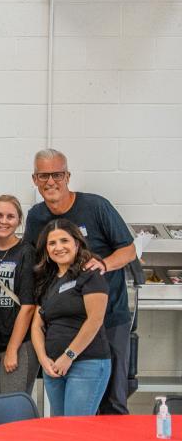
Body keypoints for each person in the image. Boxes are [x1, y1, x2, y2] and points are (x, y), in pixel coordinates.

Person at [22, 148, 135, 416]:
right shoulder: (37, 216)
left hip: (108, 317)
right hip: (65, 323)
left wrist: (104, 264)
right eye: (44, 175)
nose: (51, 181)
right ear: (34, 180)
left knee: (112, 401)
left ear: (68, 176)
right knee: (67, 416)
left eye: (57, 174)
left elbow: (129, 251)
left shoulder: (96, 206)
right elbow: (33, 260)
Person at [30, 219, 112, 417]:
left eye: (64, 241)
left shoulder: (90, 274)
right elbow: (37, 325)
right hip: (53, 367)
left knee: (76, 433)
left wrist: (68, 357)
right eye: (52, 243)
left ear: (77, 243)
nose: (58, 247)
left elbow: (95, 320)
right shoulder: (47, 279)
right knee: (60, 432)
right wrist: (43, 359)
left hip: (86, 364)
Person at [0, 195, 39, 397]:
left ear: (19, 221)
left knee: (13, 409)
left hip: (18, 344)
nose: (4, 221)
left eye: (10, 216)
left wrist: (13, 349)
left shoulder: (26, 253)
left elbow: (28, 306)